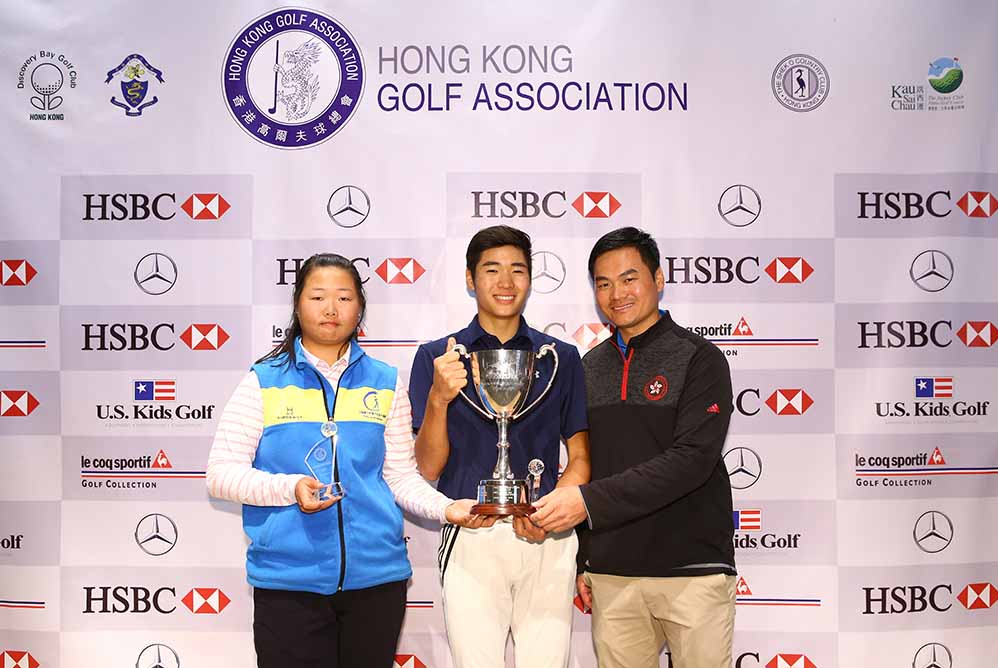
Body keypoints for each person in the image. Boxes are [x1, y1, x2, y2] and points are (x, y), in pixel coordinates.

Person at [206, 253, 483, 668]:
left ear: (360, 309)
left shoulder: (385, 381)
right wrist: (289, 488)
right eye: (318, 297)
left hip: (376, 583)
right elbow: (221, 475)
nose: (331, 309)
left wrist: (448, 508)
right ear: (298, 305)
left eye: (344, 297)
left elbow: (400, 477)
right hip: (288, 585)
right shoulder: (263, 381)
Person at [530, 227, 737, 668]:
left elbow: (692, 462)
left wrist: (586, 503)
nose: (616, 293)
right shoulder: (589, 367)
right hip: (613, 575)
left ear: (658, 279)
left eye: (629, 278)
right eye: (603, 284)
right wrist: (585, 557)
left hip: (692, 571)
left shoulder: (700, 358)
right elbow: (587, 463)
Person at [408, 225, 591, 668]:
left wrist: (555, 511)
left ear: (530, 279)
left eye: (517, 270)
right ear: (470, 279)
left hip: (546, 532)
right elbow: (428, 468)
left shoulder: (559, 357)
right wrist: (438, 397)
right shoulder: (438, 356)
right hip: (471, 531)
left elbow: (581, 457)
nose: (505, 282)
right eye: (491, 270)